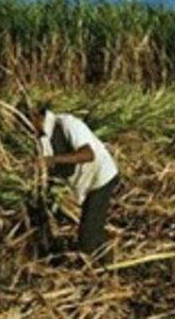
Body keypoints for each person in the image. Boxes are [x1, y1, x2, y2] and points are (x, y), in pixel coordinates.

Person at [25, 104, 119, 259]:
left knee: (87, 239)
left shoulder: (67, 124)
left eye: (27, 122)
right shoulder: (42, 140)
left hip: (101, 177)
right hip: (87, 186)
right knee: (91, 232)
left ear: (35, 115)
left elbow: (88, 155)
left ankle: (106, 265)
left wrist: (51, 160)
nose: (27, 129)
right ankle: (106, 258)